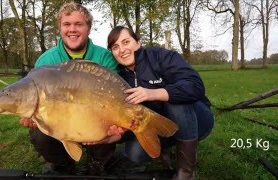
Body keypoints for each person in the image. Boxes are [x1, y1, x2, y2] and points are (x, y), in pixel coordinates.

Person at [19, 2, 118, 175]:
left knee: (110, 119)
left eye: (79, 24)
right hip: (60, 121)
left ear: (88, 28)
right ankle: (63, 163)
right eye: (67, 24)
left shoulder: (105, 58)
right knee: (39, 134)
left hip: (94, 118)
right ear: (60, 27)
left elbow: (117, 96)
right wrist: (32, 116)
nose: (72, 29)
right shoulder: (46, 60)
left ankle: (97, 161)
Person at [104, 26, 214, 180]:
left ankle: (185, 173)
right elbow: (131, 119)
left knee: (175, 101)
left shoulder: (161, 57)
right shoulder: (119, 78)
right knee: (134, 153)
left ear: (138, 43)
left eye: (126, 42)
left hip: (198, 121)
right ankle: (165, 149)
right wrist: (111, 137)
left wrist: (153, 93)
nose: (122, 50)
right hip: (157, 126)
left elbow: (195, 86)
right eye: (115, 47)